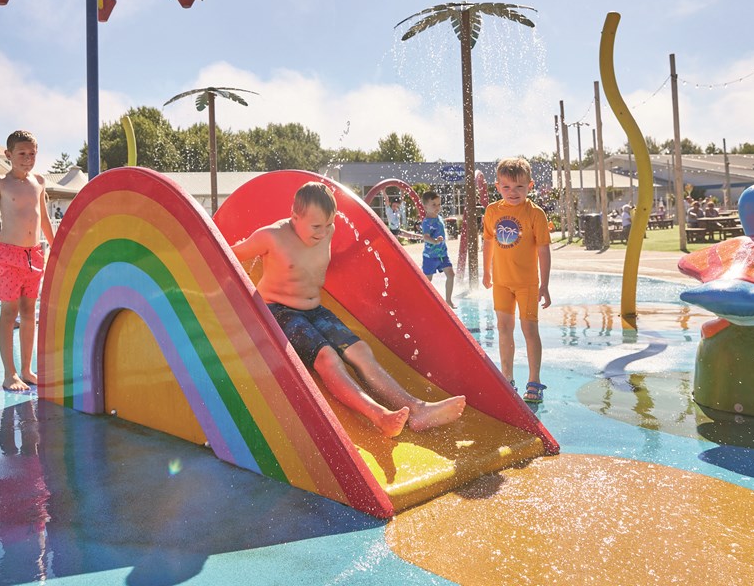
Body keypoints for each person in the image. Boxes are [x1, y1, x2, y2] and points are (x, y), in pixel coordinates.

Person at [231, 181, 466, 438]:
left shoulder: (327, 230)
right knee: (327, 358)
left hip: (315, 310)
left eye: (328, 224)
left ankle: (418, 410)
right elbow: (229, 255)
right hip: (279, 311)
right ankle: (379, 415)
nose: (323, 233)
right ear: (294, 217)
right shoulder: (271, 237)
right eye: (316, 226)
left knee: (361, 351)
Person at [0, 130, 56, 392]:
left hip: (34, 255)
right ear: (8, 155)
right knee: (10, 313)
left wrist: (57, 249)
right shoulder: (0, 183)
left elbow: (44, 218)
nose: (28, 158)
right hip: (9, 256)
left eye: (32, 154)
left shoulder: (39, 181)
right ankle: (10, 374)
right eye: (22, 153)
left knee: (30, 312)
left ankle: (27, 370)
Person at [482, 157, 552, 403]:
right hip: (501, 282)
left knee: (529, 329)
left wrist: (544, 284)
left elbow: (543, 249)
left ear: (530, 186)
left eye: (519, 187)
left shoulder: (535, 214)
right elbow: (488, 241)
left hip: (527, 284)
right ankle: (507, 378)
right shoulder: (492, 211)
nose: (513, 192)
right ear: (498, 186)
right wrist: (486, 272)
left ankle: (534, 381)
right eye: (507, 187)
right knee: (504, 329)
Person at [418, 189, 455, 308]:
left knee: (451, 274)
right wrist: (434, 241)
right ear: (425, 207)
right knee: (427, 281)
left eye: (439, 204)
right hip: (430, 256)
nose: (437, 207)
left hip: (442, 254)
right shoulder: (427, 222)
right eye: (433, 205)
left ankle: (448, 300)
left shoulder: (438, 217)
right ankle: (423, 301)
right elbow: (425, 237)